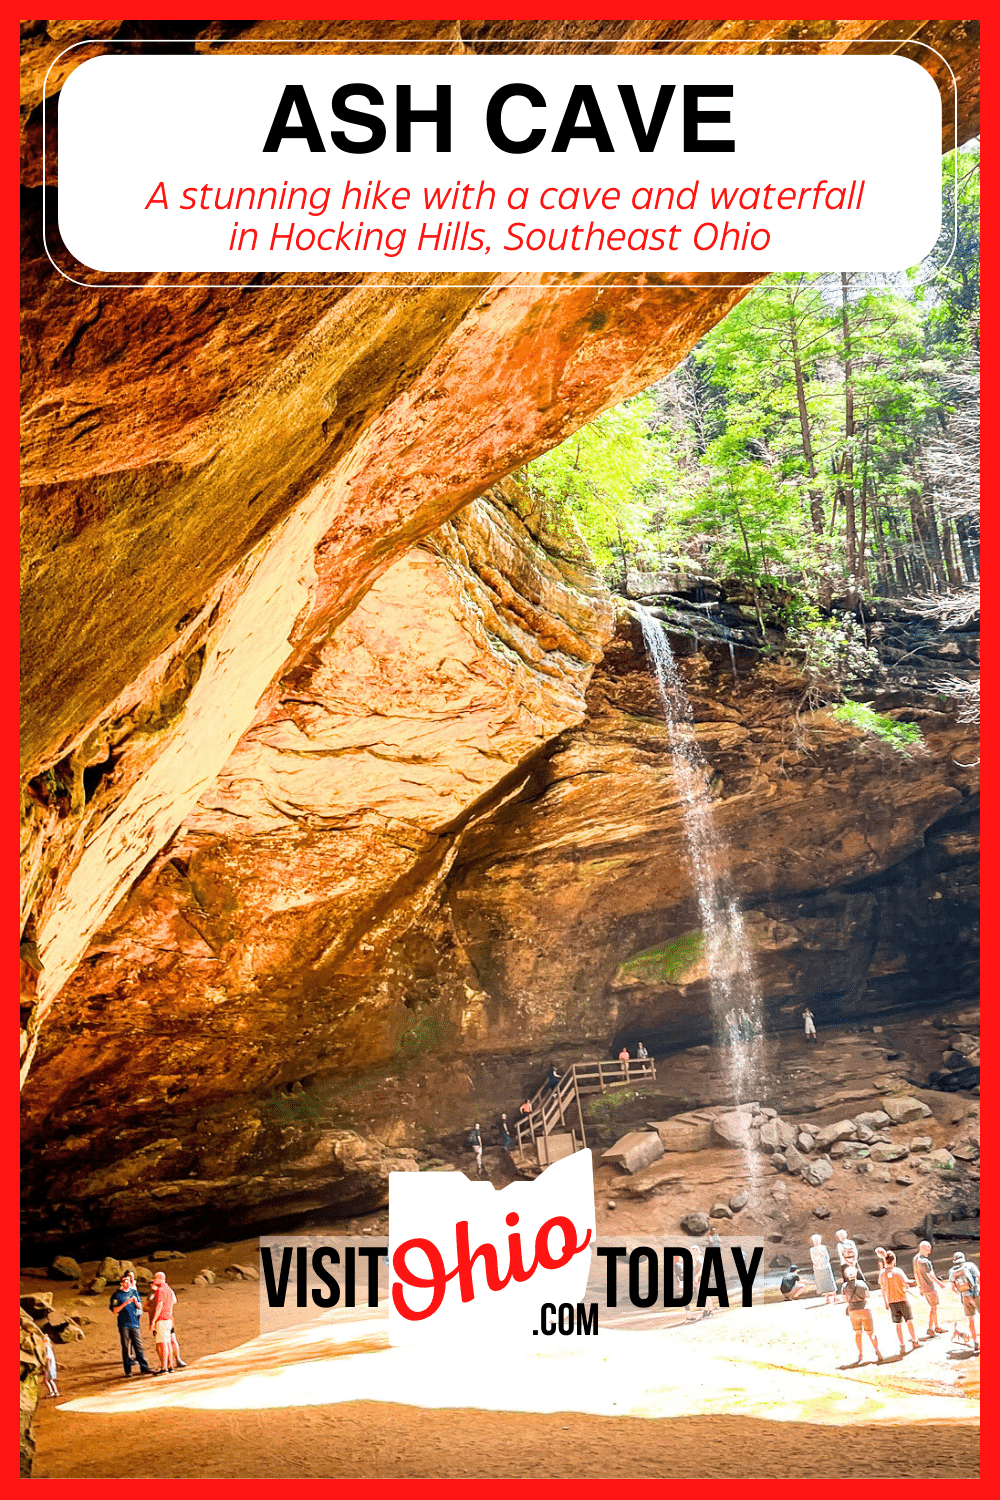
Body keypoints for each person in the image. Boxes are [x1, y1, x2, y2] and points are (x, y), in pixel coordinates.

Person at [109, 1273, 152, 1377]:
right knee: (126, 1347)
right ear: (121, 1283)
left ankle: (144, 1367)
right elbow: (115, 1310)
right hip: (124, 1323)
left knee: (138, 1346)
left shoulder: (134, 1292)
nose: (126, 1283)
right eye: (124, 1281)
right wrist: (125, 1303)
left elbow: (140, 1307)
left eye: (128, 1281)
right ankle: (128, 1370)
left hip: (134, 1322)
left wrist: (136, 1304)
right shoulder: (117, 1295)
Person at [879, 1250, 921, 1353]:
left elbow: (883, 1289)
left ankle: (902, 1344)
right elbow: (905, 1284)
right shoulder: (898, 1271)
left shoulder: (882, 1274)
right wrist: (910, 1283)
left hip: (892, 1301)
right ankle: (914, 1340)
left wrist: (885, 1302)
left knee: (898, 1324)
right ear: (893, 1260)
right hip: (902, 1299)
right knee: (909, 1321)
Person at [841, 1263, 882, 1366]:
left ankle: (860, 1354)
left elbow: (845, 1299)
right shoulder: (862, 1284)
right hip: (864, 1309)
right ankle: (877, 1350)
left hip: (853, 1311)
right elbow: (867, 1296)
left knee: (858, 1333)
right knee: (871, 1332)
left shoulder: (844, 1286)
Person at [912, 1241, 946, 1337]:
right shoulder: (925, 1262)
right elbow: (930, 1275)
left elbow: (916, 1274)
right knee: (934, 1307)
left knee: (933, 1306)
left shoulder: (915, 1259)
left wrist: (919, 1287)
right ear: (923, 1248)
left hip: (923, 1287)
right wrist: (940, 1284)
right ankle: (930, 1328)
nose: (930, 1251)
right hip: (930, 1287)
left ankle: (937, 1326)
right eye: (928, 1248)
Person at [146, 1271, 178, 1374]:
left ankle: (164, 1367)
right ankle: (170, 1365)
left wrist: (154, 1321)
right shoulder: (169, 1289)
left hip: (162, 1319)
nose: (154, 1280)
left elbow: (159, 1306)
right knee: (168, 1342)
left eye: (155, 1278)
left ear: (160, 1278)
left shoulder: (160, 1290)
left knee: (162, 1343)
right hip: (168, 1318)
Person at [948, 1252, 980, 1352]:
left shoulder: (952, 1271)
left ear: (954, 1260)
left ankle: (975, 1342)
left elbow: (953, 1288)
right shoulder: (970, 1265)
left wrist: (962, 1293)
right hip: (976, 1295)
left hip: (965, 1297)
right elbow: (979, 1278)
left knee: (971, 1320)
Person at [809, 1233, 837, 1303]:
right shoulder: (812, 1249)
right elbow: (813, 1258)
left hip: (825, 1266)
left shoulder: (823, 1247)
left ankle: (835, 1297)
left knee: (830, 1281)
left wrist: (825, 1263)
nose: (816, 1241)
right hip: (817, 1267)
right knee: (822, 1283)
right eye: (815, 1240)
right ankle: (827, 1298)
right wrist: (816, 1265)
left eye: (817, 1240)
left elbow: (827, 1257)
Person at [41, 1331, 60, 1398]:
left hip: (49, 1366)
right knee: (50, 1380)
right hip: (51, 1366)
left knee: (47, 1380)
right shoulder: (49, 1347)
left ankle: (52, 1392)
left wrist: (47, 1367)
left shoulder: (47, 1348)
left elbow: (48, 1358)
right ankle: (55, 1392)